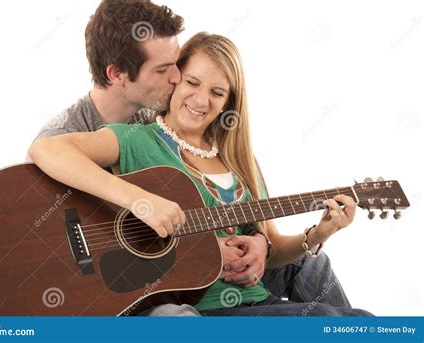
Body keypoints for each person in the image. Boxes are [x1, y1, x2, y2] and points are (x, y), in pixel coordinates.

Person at [29, 32, 372, 316]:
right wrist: (140, 200)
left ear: (229, 103)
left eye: (217, 92)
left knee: (362, 322)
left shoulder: (242, 161)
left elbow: (275, 249)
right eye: (192, 82)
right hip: (203, 311)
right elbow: (46, 149)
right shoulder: (135, 139)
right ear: (175, 81)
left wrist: (316, 234)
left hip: (256, 302)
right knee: (328, 322)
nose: (201, 99)